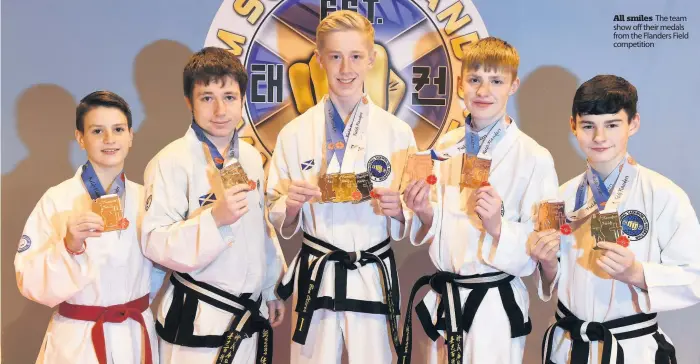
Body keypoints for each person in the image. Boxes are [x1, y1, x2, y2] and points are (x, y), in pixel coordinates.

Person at [266, 10, 417, 364]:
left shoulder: (397, 134)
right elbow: (275, 212)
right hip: (317, 270)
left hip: (373, 270)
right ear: (319, 59)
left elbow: (414, 215)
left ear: (371, 59)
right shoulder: (294, 133)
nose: (345, 68)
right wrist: (289, 206)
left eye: (355, 56)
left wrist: (402, 210)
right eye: (335, 56)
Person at [400, 37, 559, 363]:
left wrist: (498, 227)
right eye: (475, 80)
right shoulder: (446, 146)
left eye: (496, 81)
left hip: (494, 307)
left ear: (513, 85)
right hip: (447, 298)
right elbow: (438, 227)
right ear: (461, 84)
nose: (484, 90)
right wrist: (423, 211)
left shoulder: (535, 158)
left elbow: (548, 239)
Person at [532, 74, 700, 363]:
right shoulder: (559, 197)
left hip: (631, 348)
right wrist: (547, 263)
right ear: (573, 126)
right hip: (569, 346)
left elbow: (695, 276)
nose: (599, 137)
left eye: (612, 124)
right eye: (588, 126)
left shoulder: (663, 194)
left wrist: (636, 273)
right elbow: (555, 278)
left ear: (633, 123)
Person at [141, 47, 285, 364]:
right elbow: (154, 242)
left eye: (230, 97)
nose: (220, 109)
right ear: (189, 102)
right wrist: (214, 220)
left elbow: (261, 228)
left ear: (243, 100)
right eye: (207, 98)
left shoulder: (249, 157)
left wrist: (270, 287)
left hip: (248, 315)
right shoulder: (171, 161)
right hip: (198, 317)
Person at [15, 91, 158, 364]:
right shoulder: (56, 200)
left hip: (135, 337)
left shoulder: (147, 199)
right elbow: (29, 281)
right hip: (78, 341)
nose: (109, 139)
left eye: (118, 129)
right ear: (80, 138)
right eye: (97, 131)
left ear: (131, 136)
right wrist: (69, 247)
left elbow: (162, 266)